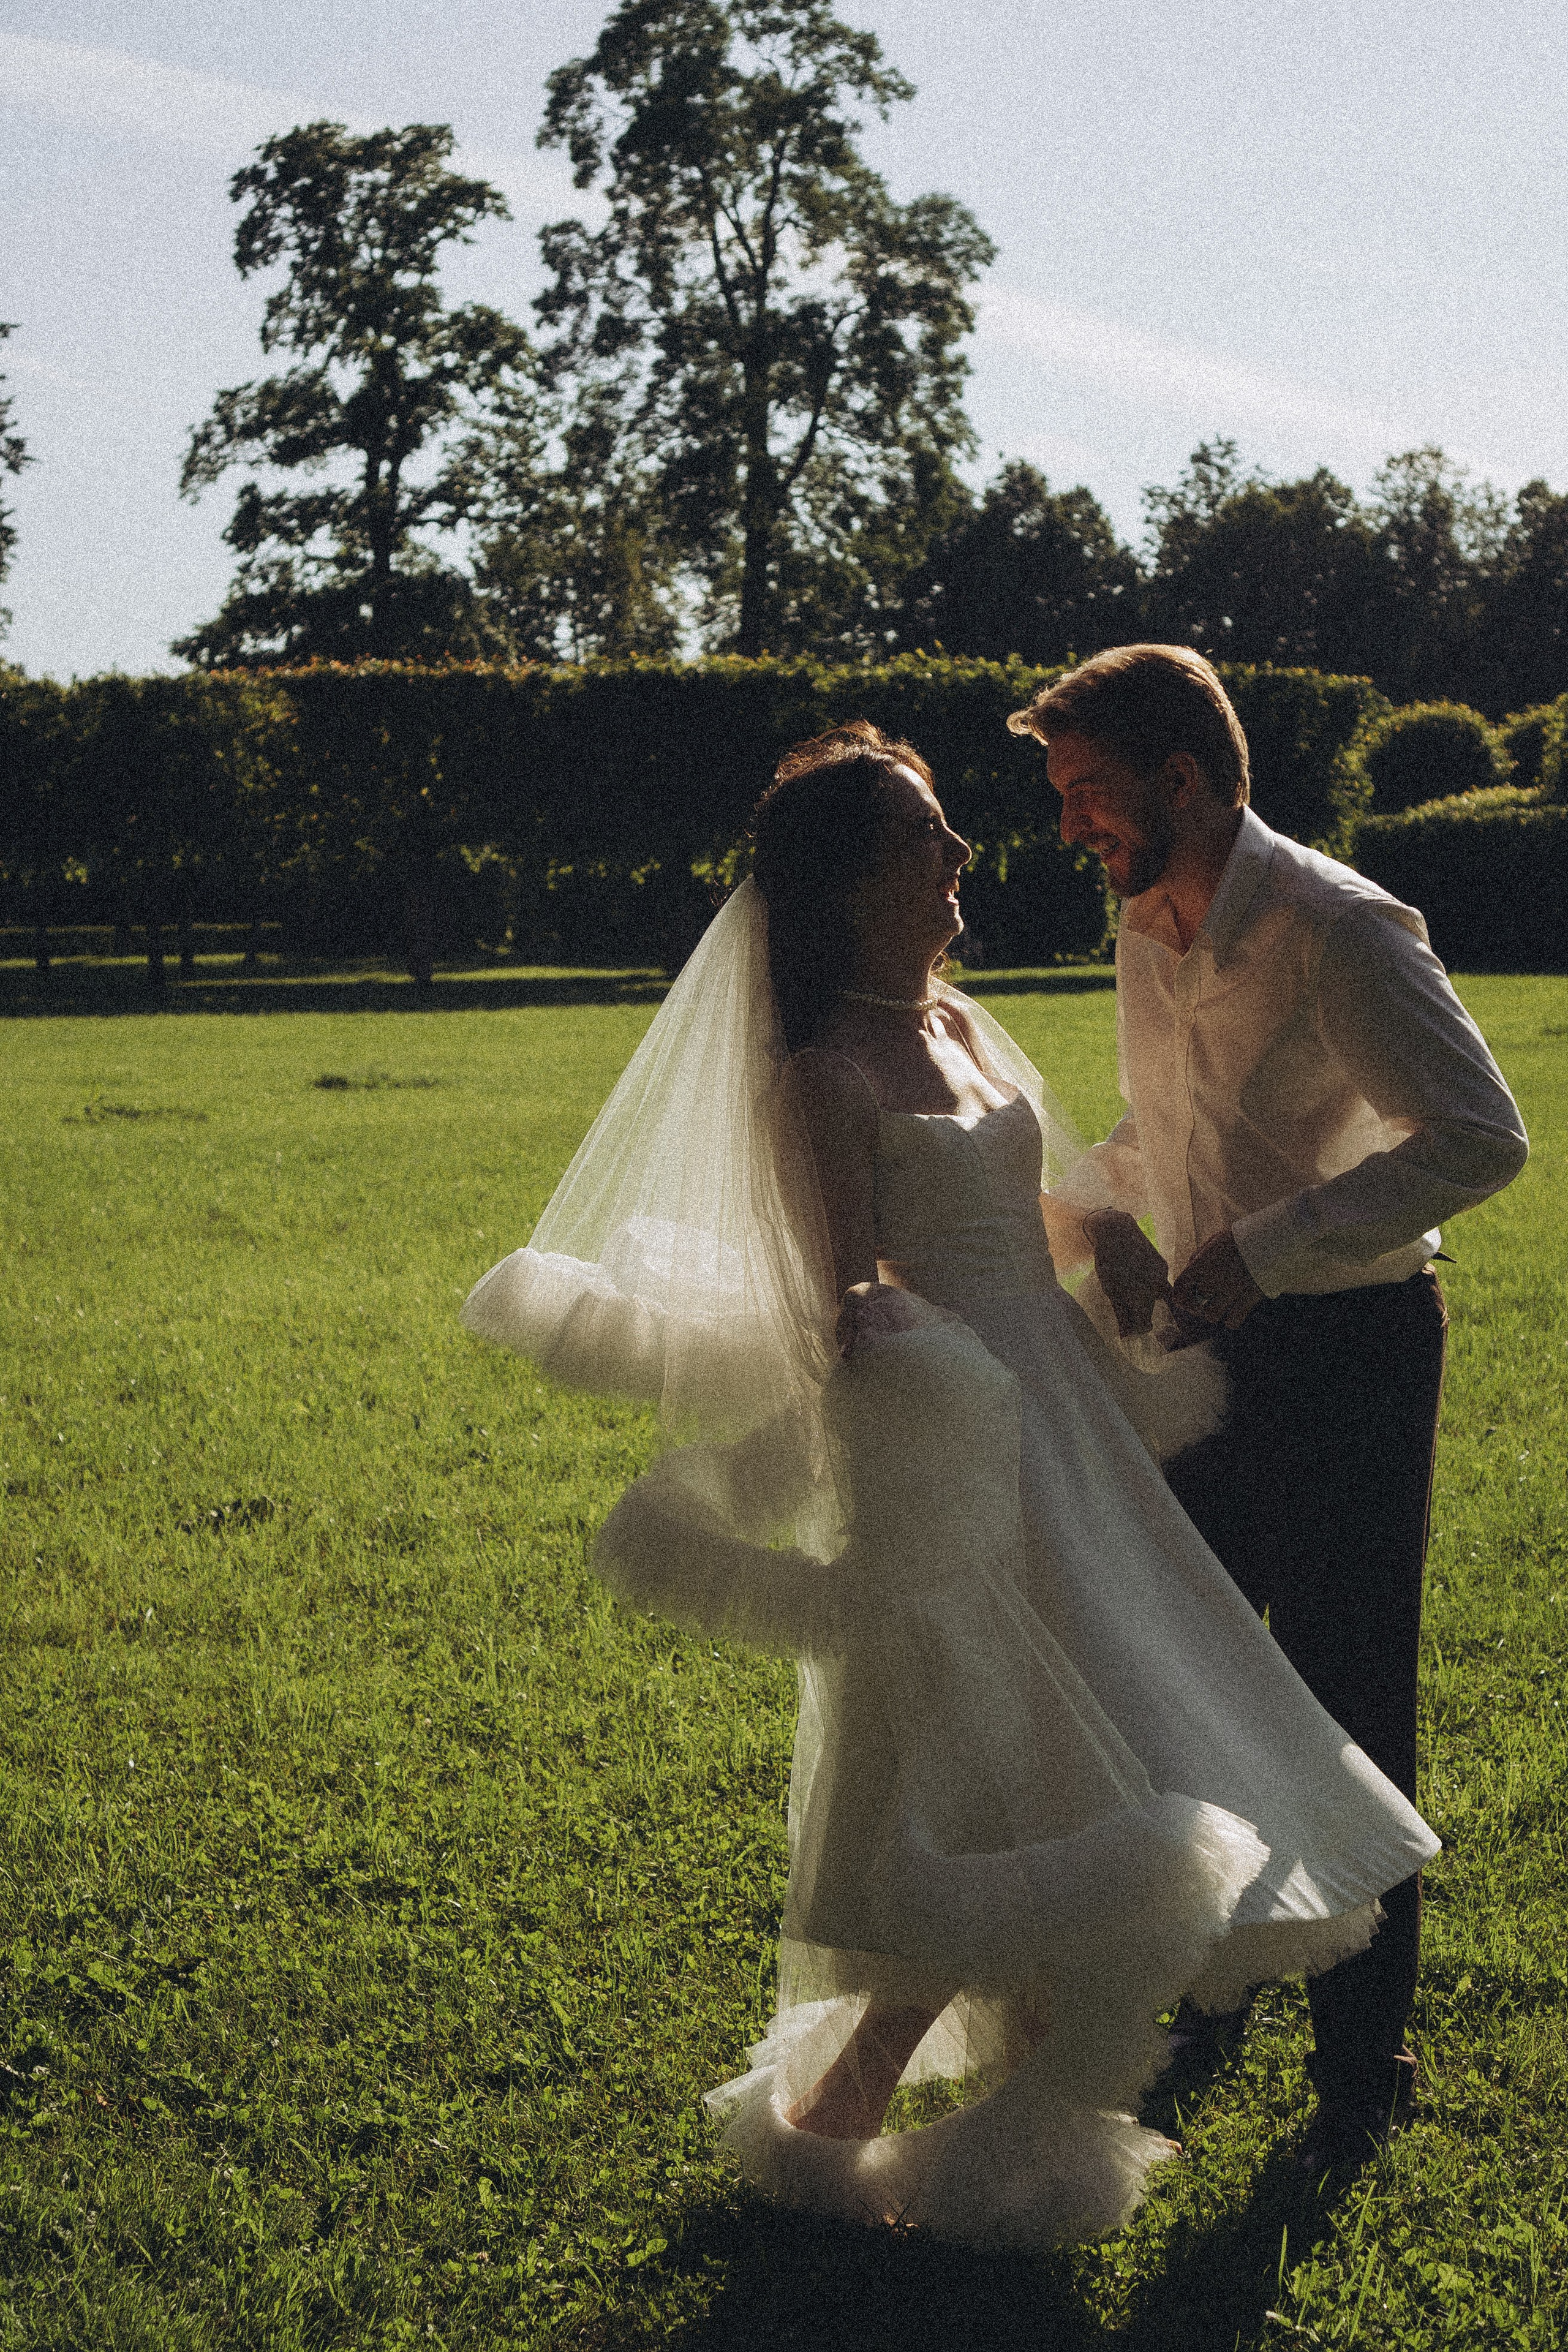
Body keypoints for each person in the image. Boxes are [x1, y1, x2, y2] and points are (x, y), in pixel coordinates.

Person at [459, 720, 1440, 2250]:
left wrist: (1097, 1235)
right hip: (956, 1450)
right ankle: (890, 2118)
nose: (964, 855)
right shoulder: (822, 1073)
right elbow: (844, 1295)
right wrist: (920, 1373)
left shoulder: (965, 1024)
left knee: (1100, 1719)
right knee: (1005, 1753)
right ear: (857, 880)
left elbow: (1013, 1207)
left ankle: (964, 2117)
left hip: (1072, 1422)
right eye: (929, 836)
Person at [1009, 647, 1528, 2175]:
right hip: (1199, 1352)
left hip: (1354, 1348)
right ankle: (1214, 1986)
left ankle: (1362, 2077)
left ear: (1181, 780)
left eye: (1084, 792)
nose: (1065, 829)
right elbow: (1175, 1131)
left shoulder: (1338, 928)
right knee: (1176, 1676)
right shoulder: (1137, 926)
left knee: (1345, 1696)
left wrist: (1273, 1247)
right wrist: (1065, 1203)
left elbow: (1480, 1141)